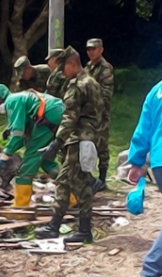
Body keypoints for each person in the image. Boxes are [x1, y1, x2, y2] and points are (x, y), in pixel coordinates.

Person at [34, 46, 101, 243]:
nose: (62, 72)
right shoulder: (91, 81)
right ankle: (53, 225)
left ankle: (85, 230)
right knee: (63, 181)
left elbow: (69, 118)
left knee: (81, 184)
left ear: (72, 64)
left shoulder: (77, 85)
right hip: (87, 137)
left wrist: (56, 143)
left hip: (79, 139)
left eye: (63, 68)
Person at [0, 84, 64, 207]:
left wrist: (4, 157)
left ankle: (21, 204)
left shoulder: (12, 100)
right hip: (55, 113)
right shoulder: (20, 98)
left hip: (48, 115)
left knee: (29, 160)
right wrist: (11, 133)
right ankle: (72, 195)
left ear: (1, 97)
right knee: (45, 160)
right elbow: (24, 134)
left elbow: (18, 134)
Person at [127, 79, 162, 277]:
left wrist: (137, 161)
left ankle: (150, 273)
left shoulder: (157, 90)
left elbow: (144, 127)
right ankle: (150, 272)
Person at [85, 38, 115, 192]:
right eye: (88, 49)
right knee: (87, 145)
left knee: (101, 146)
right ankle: (89, 178)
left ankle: (102, 180)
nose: (91, 52)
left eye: (94, 49)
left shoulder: (105, 68)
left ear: (101, 50)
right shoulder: (88, 67)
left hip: (100, 114)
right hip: (88, 115)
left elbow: (105, 94)